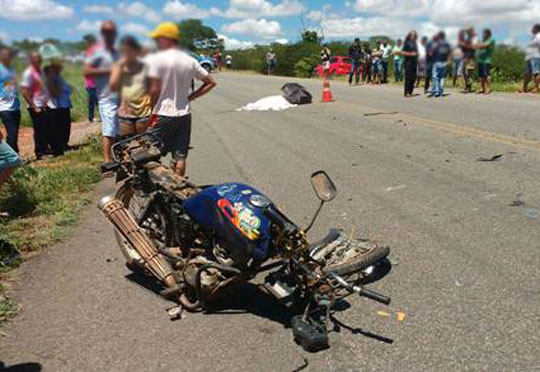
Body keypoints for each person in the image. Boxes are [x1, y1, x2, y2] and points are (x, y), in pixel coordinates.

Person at [146, 22, 217, 177]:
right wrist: (191, 97)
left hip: (163, 113)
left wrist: (151, 110)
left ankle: (159, 188)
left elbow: (154, 90)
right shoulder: (190, 61)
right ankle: (178, 188)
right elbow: (211, 82)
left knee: (150, 152)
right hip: (184, 114)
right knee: (180, 156)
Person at [83, 20, 119, 166]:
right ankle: (107, 160)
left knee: (120, 128)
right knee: (109, 129)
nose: (109, 34)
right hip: (106, 97)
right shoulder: (96, 51)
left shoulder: (117, 52)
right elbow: (87, 71)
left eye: (112, 32)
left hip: (121, 96)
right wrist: (109, 71)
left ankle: (118, 157)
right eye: (107, 32)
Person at [109, 35, 152, 140]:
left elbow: (153, 88)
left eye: (130, 51)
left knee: (142, 146)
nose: (127, 54)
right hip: (125, 114)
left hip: (143, 113)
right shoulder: (118, 67)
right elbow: (113, 86)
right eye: (124, 51)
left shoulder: (145, 67)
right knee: (126, 147)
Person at [21, 52, 50, 159]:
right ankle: (39, 152)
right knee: (39, 130)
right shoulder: (28, 73)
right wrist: (34, 106)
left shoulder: (40, 71)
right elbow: (24, 92)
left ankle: (45, 149)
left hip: (44, 105)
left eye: (39, 58)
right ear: (31, 60)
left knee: (46, 128)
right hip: (35, 105)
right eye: (36, 59)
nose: (38, 60)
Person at [44, 63, 72, 155]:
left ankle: (62, 144)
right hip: (53, 107)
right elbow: (55, 92)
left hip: (60, 105)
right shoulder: (49, 81)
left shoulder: (58, 79)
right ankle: (56, 147)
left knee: (64, 126)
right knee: (56, 128)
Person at [0, 47, 21, 153]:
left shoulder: (12, 69)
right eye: (5, 55)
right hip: (4, 106)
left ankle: (15, 155)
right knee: (12, 133)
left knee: (14, 133)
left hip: (15, 106)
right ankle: (11, 157)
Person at [519, 24, 540, 94]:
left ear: (536, 29)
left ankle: (536, 88)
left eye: (533, 28)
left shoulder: (539, 36)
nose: (531, 30)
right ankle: (524, 88)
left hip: (535, 57)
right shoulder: (533, 37)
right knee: (527, 74)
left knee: (535, 73)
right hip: (529, 57)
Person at [430, 31, 451, 98]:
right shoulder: (447, 44)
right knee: (442, 77)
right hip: (444, 62)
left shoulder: (436, 44)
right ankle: (441, 92)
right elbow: (449, 53)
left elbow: (431, 52)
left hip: (436, 62)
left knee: (435, 77)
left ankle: (434, 92)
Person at [399, 31, 419, 97]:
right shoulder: (406, 43)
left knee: (414, 77)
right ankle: (406, 92)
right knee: (408, 77)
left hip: (414, 62)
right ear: (410, 36)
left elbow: (416, 52)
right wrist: (411, 54)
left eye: (415, 35)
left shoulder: (415, 43)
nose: (414, 36)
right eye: (413, 35)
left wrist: (417, 55)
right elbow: (402, 52)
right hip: (408, 62)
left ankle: (410, 91)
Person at [475, 28, 495, 94]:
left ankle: (488, 88)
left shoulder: (491, 40)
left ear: (488, 34)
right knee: (480, 76)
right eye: (483, 33)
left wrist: (477, 45)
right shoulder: (482, 40)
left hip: (486, 60)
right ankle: (482, 88)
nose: (483, 34)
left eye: (484, 33)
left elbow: (484, 46)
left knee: (486, 75)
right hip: (480, 60)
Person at [83, 35, 98, 123]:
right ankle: (90, 117)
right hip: (90, 85)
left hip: (96, 84)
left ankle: (99, 117)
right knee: (92, 102)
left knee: (97, 101)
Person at [459, 27, 477, 93]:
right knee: (464, 72)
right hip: (466, 57)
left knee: (469, 73)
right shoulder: (468, 39)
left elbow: (473, 47)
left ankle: (468, 86)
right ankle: (468, 86)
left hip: (469, 58)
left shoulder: (473, 39)